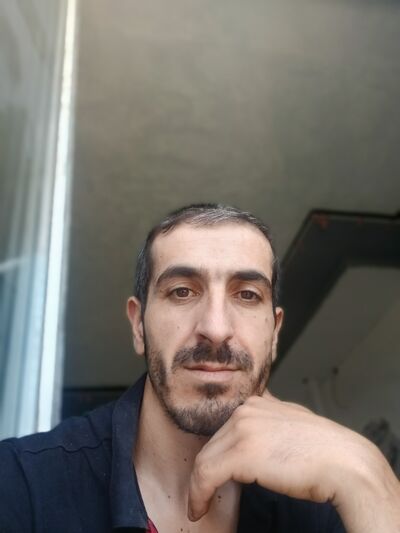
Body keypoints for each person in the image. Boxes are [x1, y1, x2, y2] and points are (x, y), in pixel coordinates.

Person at [0, 203, 399, 533]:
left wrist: (370, 478)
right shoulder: (20, 485)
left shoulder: (328, 505)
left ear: (275, 333)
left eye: (247, 295)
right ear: (138, 326)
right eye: (182, 291)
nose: (215, 328)